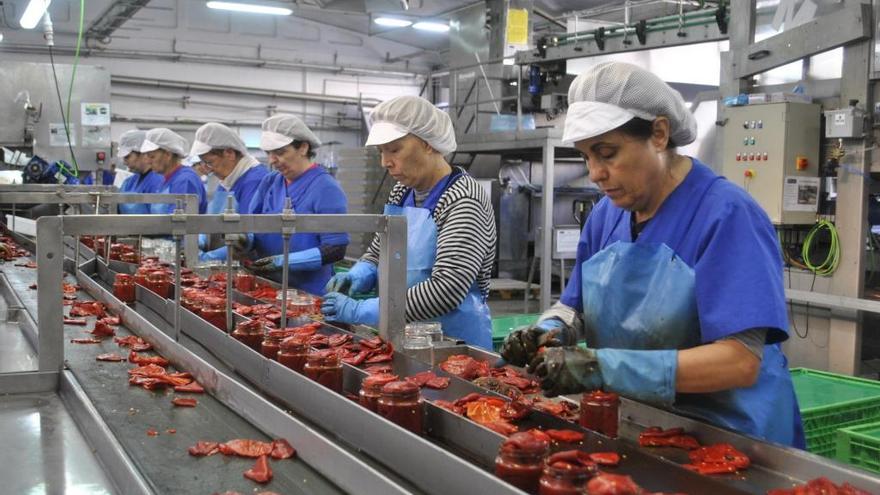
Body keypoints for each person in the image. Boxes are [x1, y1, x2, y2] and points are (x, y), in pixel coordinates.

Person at [499, 62, 804, 448]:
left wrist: (601, 366)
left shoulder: (727, 215)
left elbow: (740, 360)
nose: (594, 173)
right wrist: (546, 331)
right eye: (586, 156)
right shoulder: (606, 215)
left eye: (606, 153)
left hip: (730, 438)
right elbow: (573, 308)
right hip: (646, 425)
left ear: (659, 134)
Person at [321, 95, 497, 349]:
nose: (385, 162)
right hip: (405, 336)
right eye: (381, 152)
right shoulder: (403, 193)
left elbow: (446, 290)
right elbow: (380, 250)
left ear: (428, 143)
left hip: (453, 347)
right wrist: (360, 273)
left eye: (394, 150)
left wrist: (362, 310)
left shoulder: (462, 200)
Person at [248, 114, 349, 294]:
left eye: (279, 152)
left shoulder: (326, 188)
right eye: (269, 153)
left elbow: (335, 249)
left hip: (308, 293)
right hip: (269, 287)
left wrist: (283, 262)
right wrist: (243, 241)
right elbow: (251, 226)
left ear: (303, 148)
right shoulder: (270, 182)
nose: (271, 160)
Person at [190, 123, 269, 262]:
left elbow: (250, 239)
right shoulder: (228, 178)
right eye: (203, 163)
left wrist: (208, 258)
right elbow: (213, 218)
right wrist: (199, 240)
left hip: (244, 265)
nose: (207, 170)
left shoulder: (255, 180)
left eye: (209, 162)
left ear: (230, 153)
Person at [140, 128, 207, 214]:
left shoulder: (184, 180)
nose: (147, 162)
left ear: (168, 154)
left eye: (152, 157)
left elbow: (180, 222)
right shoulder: (165, 180)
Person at [115, 130, 164, 214]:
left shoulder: (158, 182)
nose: (124, 162)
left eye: (127, 157)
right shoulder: (129, 182)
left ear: (143, 153)